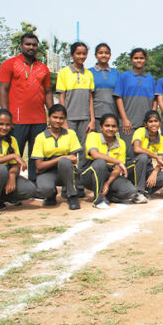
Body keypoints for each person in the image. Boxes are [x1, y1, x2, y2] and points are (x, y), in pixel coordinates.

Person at [0, 33, 53, 182]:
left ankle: (35, 186)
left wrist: (53, 115)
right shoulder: (9, 64)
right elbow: (3, 89)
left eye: (34, 45)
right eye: (28, 44)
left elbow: (48, 93)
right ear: (21, 46)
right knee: (15, 154)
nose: (31, 47)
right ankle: (11, 189)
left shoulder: (44, 68)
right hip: (16, 119)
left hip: (39, 119)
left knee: (36, 155)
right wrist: (5, 115)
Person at [56, 42, 95, 197]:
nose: (81, 56)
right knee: (70, 154)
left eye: (84, 53)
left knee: (85, 153)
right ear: (72, 55)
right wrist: (63, 120)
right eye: (78, 53)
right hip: (70, 119)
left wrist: (92, 119)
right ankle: (67, 186)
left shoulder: (89, 74)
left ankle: (80, 185)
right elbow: (61, 97)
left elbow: (90, 99)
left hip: (85, 119)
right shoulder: (64, 73)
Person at [80, 113, 137, 209]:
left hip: (109, 175)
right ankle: (98, 200)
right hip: (90, 174)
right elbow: (95, 154)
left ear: (117, 129)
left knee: (130, 191)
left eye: (113, 126)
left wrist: (107, 183)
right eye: (107, 126)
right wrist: (117, 161)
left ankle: (106, 195)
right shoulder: (93, 136)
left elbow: (118, 168)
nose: (110, 129)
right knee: (100, 162)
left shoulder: (121, 143)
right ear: (101, 127)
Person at [31, 104, 82, 210]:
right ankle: (51, 194)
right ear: (49, 118)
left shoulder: (70, 134)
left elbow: (73, 159)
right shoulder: (41, 137)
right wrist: (61, 157)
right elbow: (39, 166)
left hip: (65, 171)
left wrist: (63, 159)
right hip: (47, 172)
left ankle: (72, 196)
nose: (58, 121)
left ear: (65, 119)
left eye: (61, 118)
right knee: (44, 189)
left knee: (65, 162)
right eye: (55, 117)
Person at [114, 48, 157, 148]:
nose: (139, 60)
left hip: (145, 124)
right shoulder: (124, 76)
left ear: (145, 59)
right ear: (131, 59)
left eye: (141, 58)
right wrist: (124, 119)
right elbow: (118, 98)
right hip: (129, 124)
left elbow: (155, 100)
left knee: (145, 153)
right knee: (129, 153)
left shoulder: (150, 78)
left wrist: (152, 119)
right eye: (136, 58)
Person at [127, 110, 163, 201]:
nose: (153, 124)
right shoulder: (140, 131)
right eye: (150, 121)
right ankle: (139, 192)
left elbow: (161, 160)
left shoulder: (162, 139)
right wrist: (155, 156)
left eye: (156, 121)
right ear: (145, 124)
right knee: (143, 157)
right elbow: (137, 148)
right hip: (132, 167)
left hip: (146, 168)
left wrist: (154, 173)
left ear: (160, 123)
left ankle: (145, 191)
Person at [89, 43, 120, 131]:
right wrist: (92, 119)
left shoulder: (116, 73)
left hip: (113, 114)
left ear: (110, 55)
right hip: (96, 116)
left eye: (106, 53)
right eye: (100, 52)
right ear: (96, 55)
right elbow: (88, 96)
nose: (104, 55)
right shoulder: (89, 73)